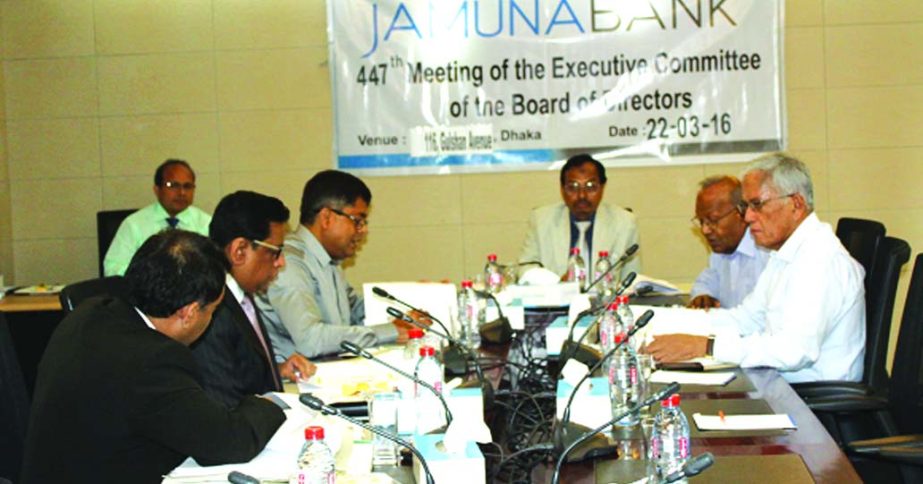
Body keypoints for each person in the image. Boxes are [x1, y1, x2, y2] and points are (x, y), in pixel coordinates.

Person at [21, 230, 285, 484]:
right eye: (213, 311)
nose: (211, 320)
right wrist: (269, 404)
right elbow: (230, 441)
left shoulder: (90, 312)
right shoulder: (153, 360)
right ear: (189, 312)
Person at [647, 153, 866, 383]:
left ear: (796, 204)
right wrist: (662, 320)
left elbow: (793, 351)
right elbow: (747, 318)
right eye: (746, 206)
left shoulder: (820, 260)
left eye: (757, 205)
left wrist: (705, 346)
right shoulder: (786, 253)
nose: (748, 216)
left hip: (812, 402)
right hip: (782, 385)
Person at [257, 170, 418, 359]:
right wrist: (389, 331)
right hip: (296, 385)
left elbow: (356, 311)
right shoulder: (290, 263)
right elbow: (311, 340)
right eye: (357, 221)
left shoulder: (327, 259)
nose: (363, 230)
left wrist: (415, 306)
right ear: (326, 217)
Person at [191, 191, 316, 409]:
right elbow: (227, 409)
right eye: (275, 252)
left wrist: (275, 370)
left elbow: (238, 370)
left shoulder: (243, 295)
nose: (281, 262)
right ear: (239, 251)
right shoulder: (211, 314)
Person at [519, 153, 640, 282]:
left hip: (606, 300)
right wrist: (555, 283)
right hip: (557, 299)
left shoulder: (624, 222)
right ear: (562, 189)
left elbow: (633, 279)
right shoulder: (541, 219)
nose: (582, 195)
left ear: (602, 188)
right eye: (573, 187)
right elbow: (525, 268)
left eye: (590, 187)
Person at [103, 159, 212, 276]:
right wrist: (149, 277)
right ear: (157, 190)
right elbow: (112, 268)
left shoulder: (206, 223)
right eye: (173, 185)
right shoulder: (134, 224)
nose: (182, 192)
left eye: (188, 186)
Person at [688, 176, 770, 309]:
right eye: (701, 222)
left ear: (741, 213)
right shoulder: (721, 251)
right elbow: (706, 281)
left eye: (713, 220)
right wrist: (702, 295)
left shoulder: (766, 252)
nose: (705, 230)